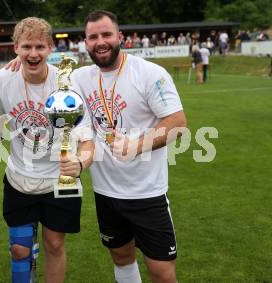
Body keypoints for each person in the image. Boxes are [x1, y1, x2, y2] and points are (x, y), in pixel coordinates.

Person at [72, 10, 186, 283]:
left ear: (120, 37)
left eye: (106, 34)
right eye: (93, 36)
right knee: (122, 258)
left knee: (161, 272)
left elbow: (178, 122)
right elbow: (37, 64)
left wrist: (138, 145)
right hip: (106, 193)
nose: (100, 41)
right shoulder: (79, 78)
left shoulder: (149, 73)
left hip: (148, 193)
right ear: (85, 43)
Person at [0, 17, 94, 283]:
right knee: (20, 250)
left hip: (61, 179)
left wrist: (81, 163)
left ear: (50, 48)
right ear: (15, 48)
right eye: (26, 47)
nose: (33, 54)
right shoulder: (2, 80)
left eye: (39, 47)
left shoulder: (66, 85)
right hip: (20, 178)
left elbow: (87, 140)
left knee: (55, 245)